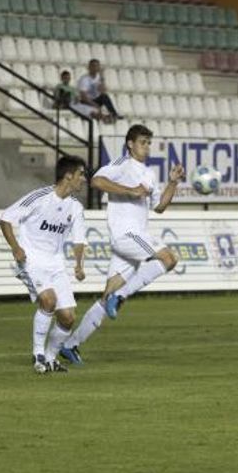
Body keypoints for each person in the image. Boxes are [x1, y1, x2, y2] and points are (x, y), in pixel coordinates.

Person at [57, 124, 184, 365]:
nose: (146, 147)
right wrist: (130, 191)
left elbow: (159, 207)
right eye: (142, 142)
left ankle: (70, 345)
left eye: (149, 143)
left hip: (134, 238)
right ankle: (122, 295)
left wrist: (173, 183)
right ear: (130, 144)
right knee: (169, 259)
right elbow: (96, 181)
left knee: (106, 297)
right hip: (126, 234)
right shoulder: (121, 165)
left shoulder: (148, 174)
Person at [0, 156, 88, 374]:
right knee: (48, 300)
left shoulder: (75, 207)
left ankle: (50, 358)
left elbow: (79, 240)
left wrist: (78, 265)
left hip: (56, 264)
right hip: (32, 260)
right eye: (81, 174)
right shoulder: (40, 197)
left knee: (68, 317)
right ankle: (38, 354)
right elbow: (6, 218)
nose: (84, 179)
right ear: (68, 176)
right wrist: (15, 248)